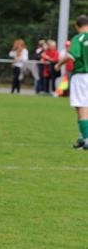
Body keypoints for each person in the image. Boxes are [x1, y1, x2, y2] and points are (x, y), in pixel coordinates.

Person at [55, 14, 88, 150]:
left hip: (81, 76)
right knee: (82, 107)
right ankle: (82, 138)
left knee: (82, 107)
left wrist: (59, 64)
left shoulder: (78, 38)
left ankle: (86, 139)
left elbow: (72, 55)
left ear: (76, 26)